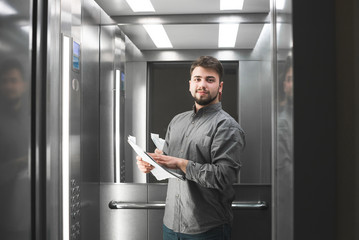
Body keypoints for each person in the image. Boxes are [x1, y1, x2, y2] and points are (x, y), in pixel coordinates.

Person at [137, 56, 245, 240]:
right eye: (197, 79)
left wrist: (180, 163)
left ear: (220, 87)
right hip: (171, 224)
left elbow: (224, 177)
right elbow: (170, 161)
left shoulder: (226, 126)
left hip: (207, 229)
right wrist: (153, 163)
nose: (202, 84)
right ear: (190, 84)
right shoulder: (177, 121)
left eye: (209, 80)